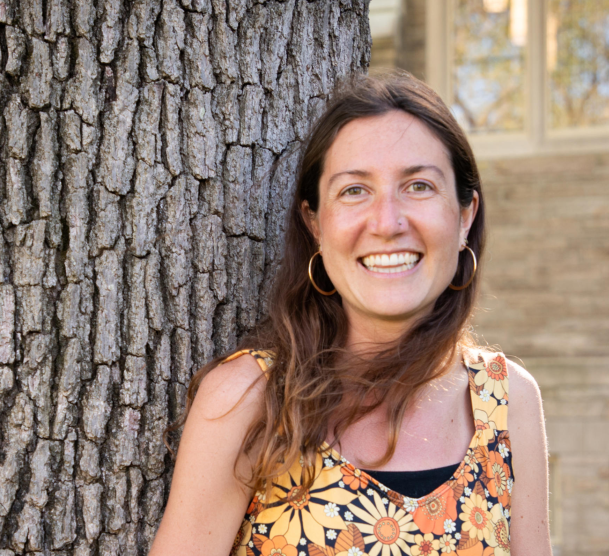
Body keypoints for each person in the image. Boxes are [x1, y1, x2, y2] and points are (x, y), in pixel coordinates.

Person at [148, 71, 552, 556]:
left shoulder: (508, 401)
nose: (387, 223)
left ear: (465, 215)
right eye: (354, 191)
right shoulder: (249, 401)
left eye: (419, 186)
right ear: (315, 223)